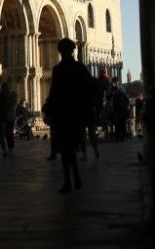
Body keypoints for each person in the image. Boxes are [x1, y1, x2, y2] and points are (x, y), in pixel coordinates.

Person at [43, 38, 94, 193]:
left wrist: (48, 107)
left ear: (61, 51)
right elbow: (91, 85)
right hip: (76, 113)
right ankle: (76, 178)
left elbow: (54, 92)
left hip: (63, 114)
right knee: (71, 147)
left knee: (66, 149)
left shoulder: (59, 69)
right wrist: (86, 105)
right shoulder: (80, 67)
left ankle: (69, 181)